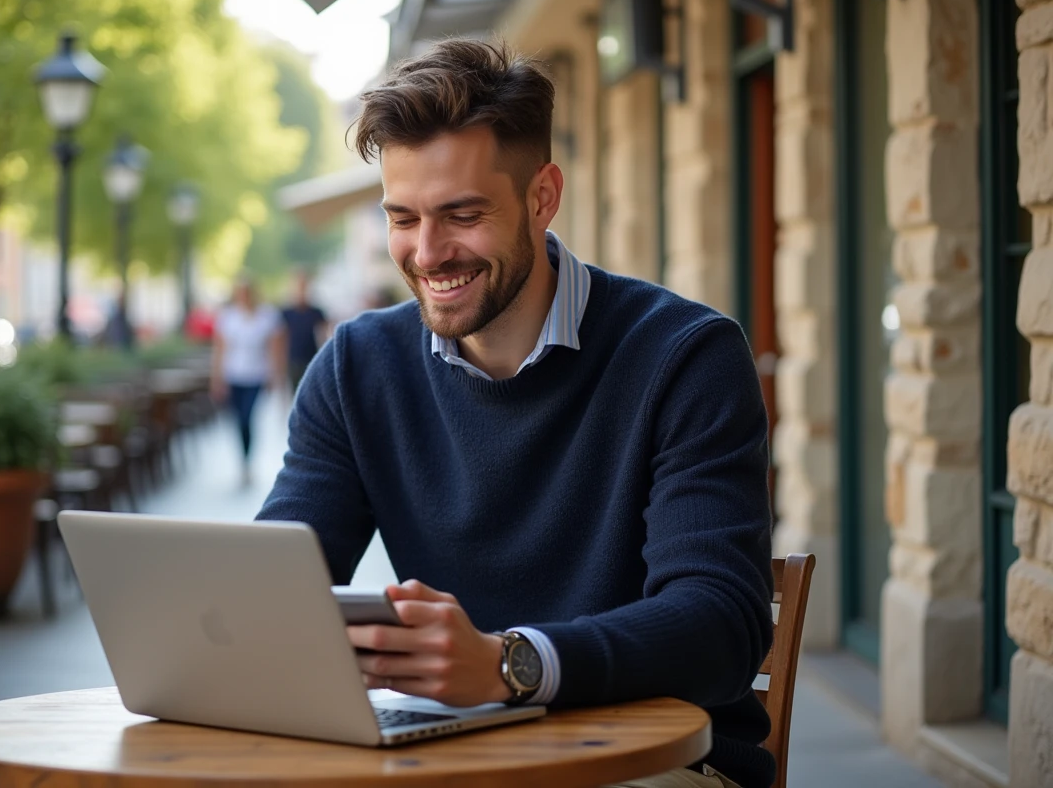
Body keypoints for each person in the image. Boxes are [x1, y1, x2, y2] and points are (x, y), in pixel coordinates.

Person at [256, 39, 774, 788]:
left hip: (662, 765)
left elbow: (720, 623)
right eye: (402, 218)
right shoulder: (356, 367)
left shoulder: (686, 356)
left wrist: (510, 663)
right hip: (457, 761)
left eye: (461, 214)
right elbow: (281, 578)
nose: (428, 253)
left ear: (542, 196)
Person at [210, 277, 285, 486]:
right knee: (238, 420)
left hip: (256, 375)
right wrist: (216, 378)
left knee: (247, 417)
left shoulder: (267, 316)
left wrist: (275, 374)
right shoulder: (228, 317)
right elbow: (220, 349)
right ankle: (243, 460)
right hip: (233, 375)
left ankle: (248, 460)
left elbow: (276, 347)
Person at [279, 270, 328, 395]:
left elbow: (324, 336)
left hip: (311, 358)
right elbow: (282, 339)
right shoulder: (286, 312)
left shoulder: (316, 312)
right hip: (293, 360)